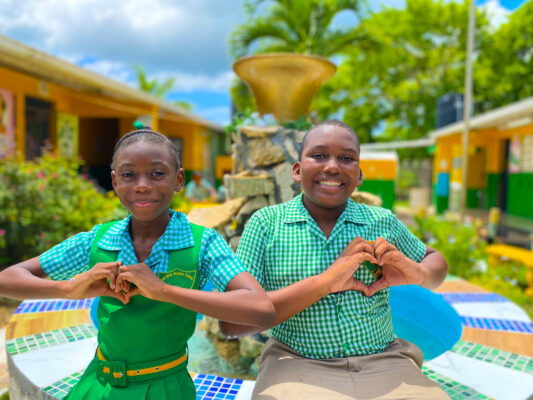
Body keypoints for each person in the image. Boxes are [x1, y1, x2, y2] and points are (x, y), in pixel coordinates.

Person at [0, 127, 275, 400]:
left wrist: (164, 291)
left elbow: (260, 309)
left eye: (157, 173)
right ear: (115, 181)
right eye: (128, 175)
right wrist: (69, 289)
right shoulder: (97, 241)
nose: (142, 184)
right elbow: (8, 278)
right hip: (100, 384)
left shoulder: (202, 244)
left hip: (166, 388)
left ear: (179, 179)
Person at [222, 120, 449, 400]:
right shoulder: (267, 225)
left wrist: (419, 274)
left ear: (360, 175)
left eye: (347, 158)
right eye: (318, 155)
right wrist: (325, 282)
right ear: (297, 170)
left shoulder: (381, 221)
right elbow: (231, 323)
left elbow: (434, 260)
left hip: (383, 360)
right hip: (297, 362)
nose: (332, 166)